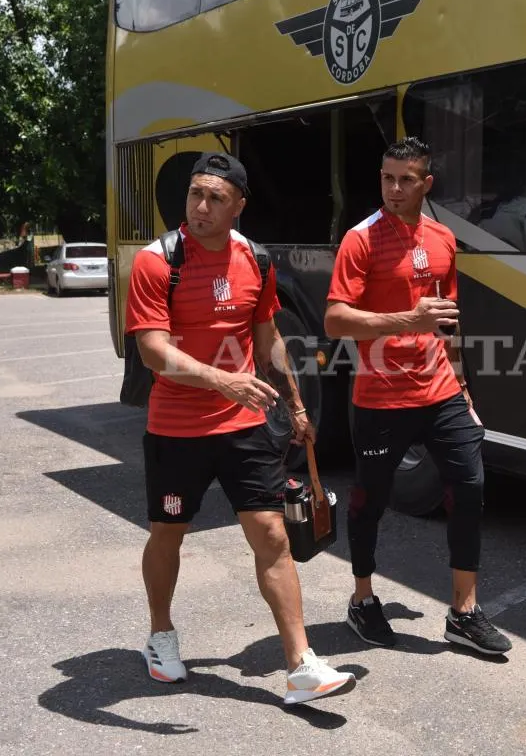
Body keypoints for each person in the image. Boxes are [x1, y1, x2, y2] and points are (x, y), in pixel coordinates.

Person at [124, 151, 357, 705]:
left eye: (216, 198)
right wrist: (224, 381)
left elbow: (267, 338)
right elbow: (154, 352)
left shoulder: (255, 259)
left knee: (273, 536)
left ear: (239, 207)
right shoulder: (157, 262)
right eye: (194, 195)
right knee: (168, 533)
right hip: (177, 429)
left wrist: (298, 406)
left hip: (243, 426)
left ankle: (300, 664)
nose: (201, 207)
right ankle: (161, 636)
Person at [324, 136, 513, 656]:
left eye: (406, 179)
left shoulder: (443, 239)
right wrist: (408, 319)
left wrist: (464, 387)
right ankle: (362, 600)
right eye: (387, 177)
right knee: (370, 501)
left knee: (470, 487)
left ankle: (464, 612)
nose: (394, 188)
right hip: (381, 396)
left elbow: (447, 323)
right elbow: (335, 319)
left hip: (441, 390)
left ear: (426, 183)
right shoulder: (361, 240)